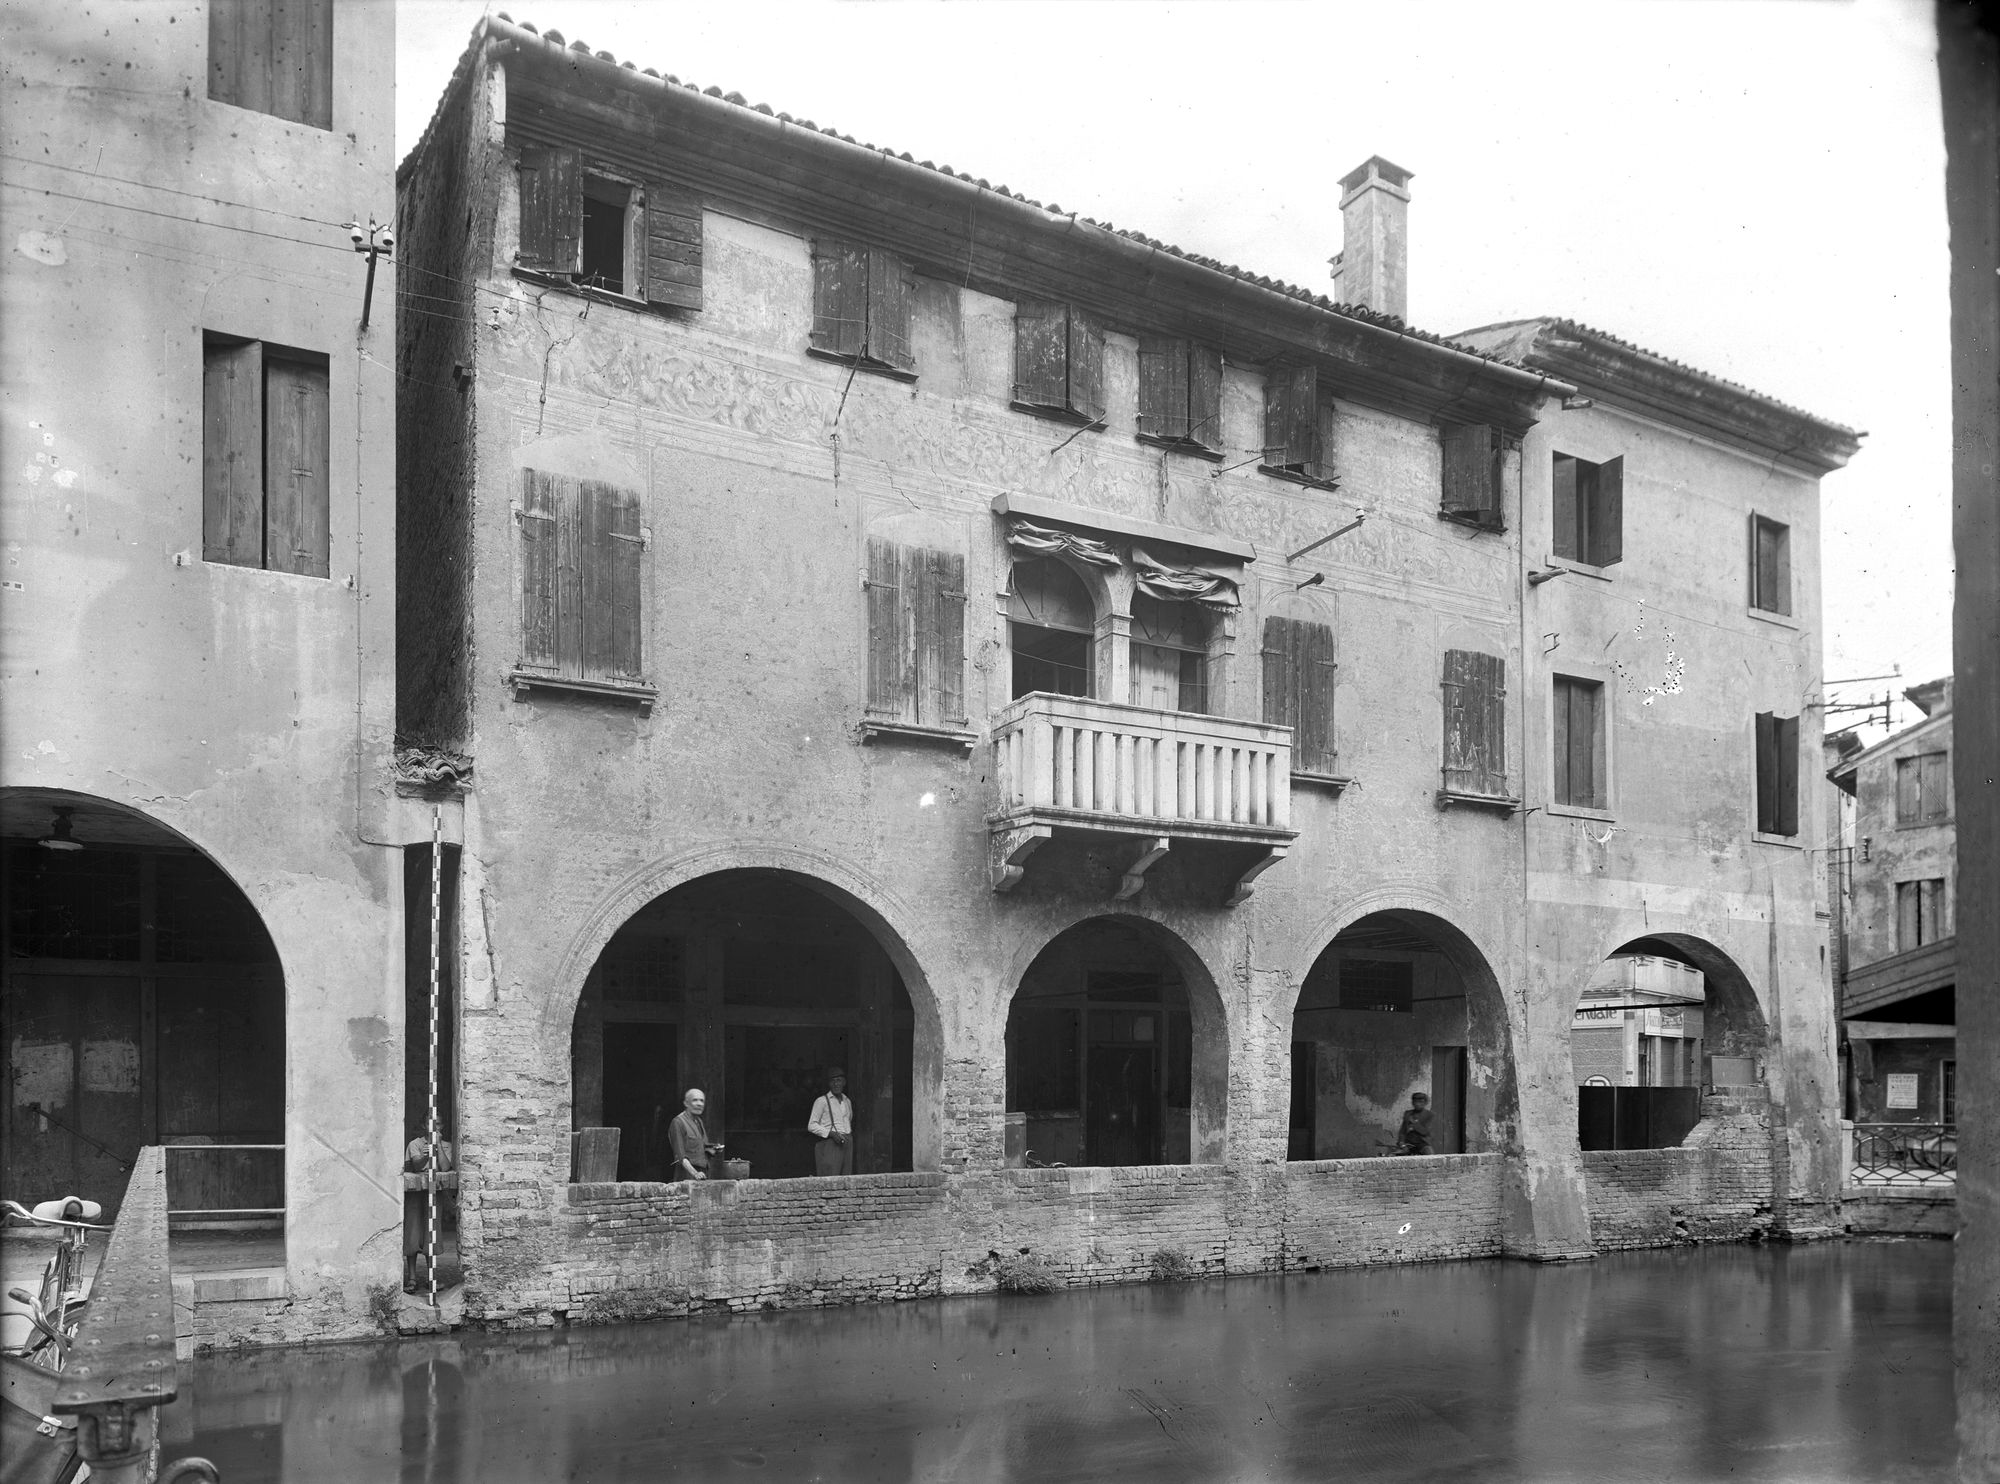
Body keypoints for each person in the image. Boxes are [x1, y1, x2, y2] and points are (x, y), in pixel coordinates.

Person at [808, 1067, 854, 1176]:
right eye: (833, 1081)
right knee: (830, 1177)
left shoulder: (847, 1101)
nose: (836, 1084)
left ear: (844, 1082)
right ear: (829, 1084)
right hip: (831, 1143)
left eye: (838, 1080)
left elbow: (849, 1120)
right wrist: (831, 1133)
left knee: (846, 1177)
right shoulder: (821, 1101)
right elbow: (811, 1125)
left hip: (847, 1141)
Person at [669, 1088, 717, 1181]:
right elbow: (680, 1156)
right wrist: (695, 1173)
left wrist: (712, 1149)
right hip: (687, 1175)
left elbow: (700, 1146)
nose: (699, 1104)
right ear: (686, 1103)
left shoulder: (699, 1121)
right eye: (695, 1100)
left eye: (702, 1101)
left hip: (703, 1173)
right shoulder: (678, 1122)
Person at [1395, 1092, 1434, 1156]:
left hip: (1422, 1143)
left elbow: (1425, 1132)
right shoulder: (1408, 1114)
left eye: (1421, 1102)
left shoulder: (1429, 1115)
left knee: (1430, 1155)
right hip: (1408, 1143)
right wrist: (1401, 1143)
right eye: (1416, 1102)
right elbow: (1402, 1131)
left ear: (1425, 1103)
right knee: (1394, 1157)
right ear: (1413, 1103)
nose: (1418, 1104)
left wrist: (1414, 1123)